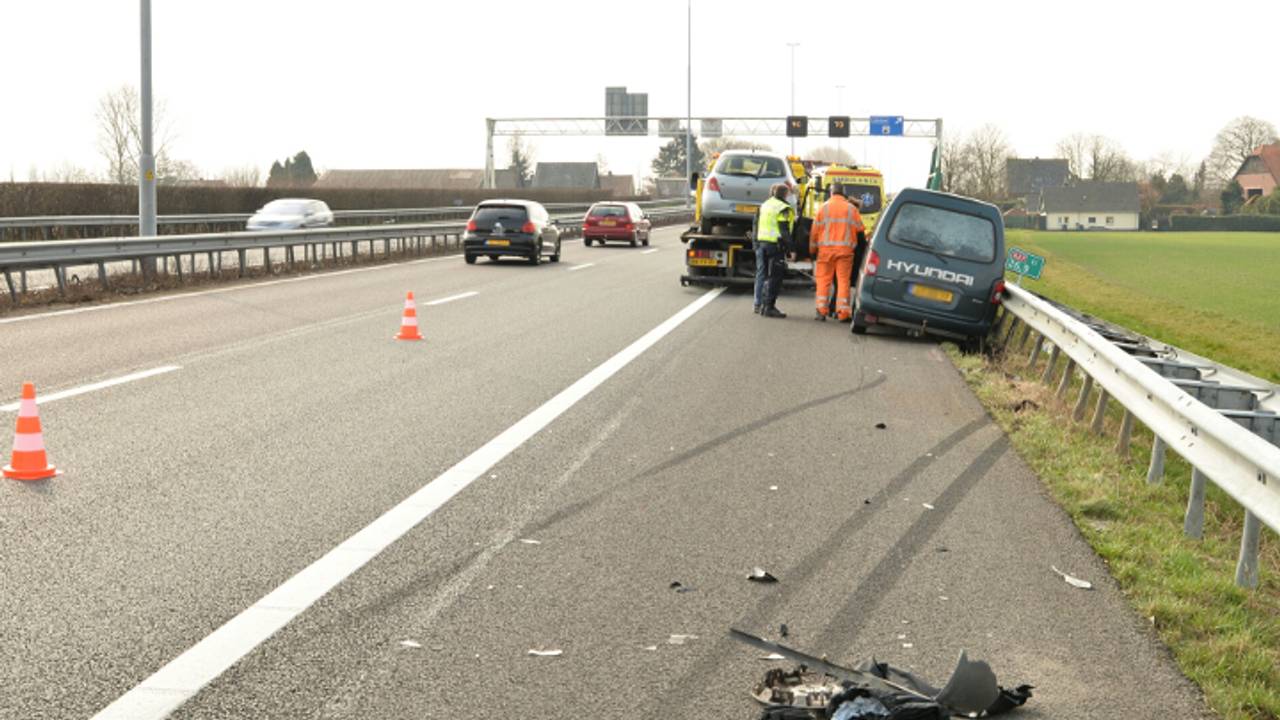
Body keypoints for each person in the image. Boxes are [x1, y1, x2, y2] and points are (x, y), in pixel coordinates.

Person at [810, 182, 865, 322]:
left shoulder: (822, 208)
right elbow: (860, 231)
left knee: (823, 280)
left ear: (831, 192)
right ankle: (843, 313)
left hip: (825, 251)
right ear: (843, 192)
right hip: (845, 252)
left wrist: (812, 251)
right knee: (843, 281)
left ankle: (821, 311)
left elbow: (814, 233)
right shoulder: (852, 209)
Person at [752, 183, 795, 318]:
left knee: (761, 274)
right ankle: (769, 307)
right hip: (775, 246)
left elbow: (756, 225)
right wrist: (791, 249)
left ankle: (759, 304)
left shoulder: (765, 205)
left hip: (761, 244)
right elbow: (784, 230)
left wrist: (756, 244)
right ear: (786, 194)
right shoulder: (783, 208)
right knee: (775, 277)